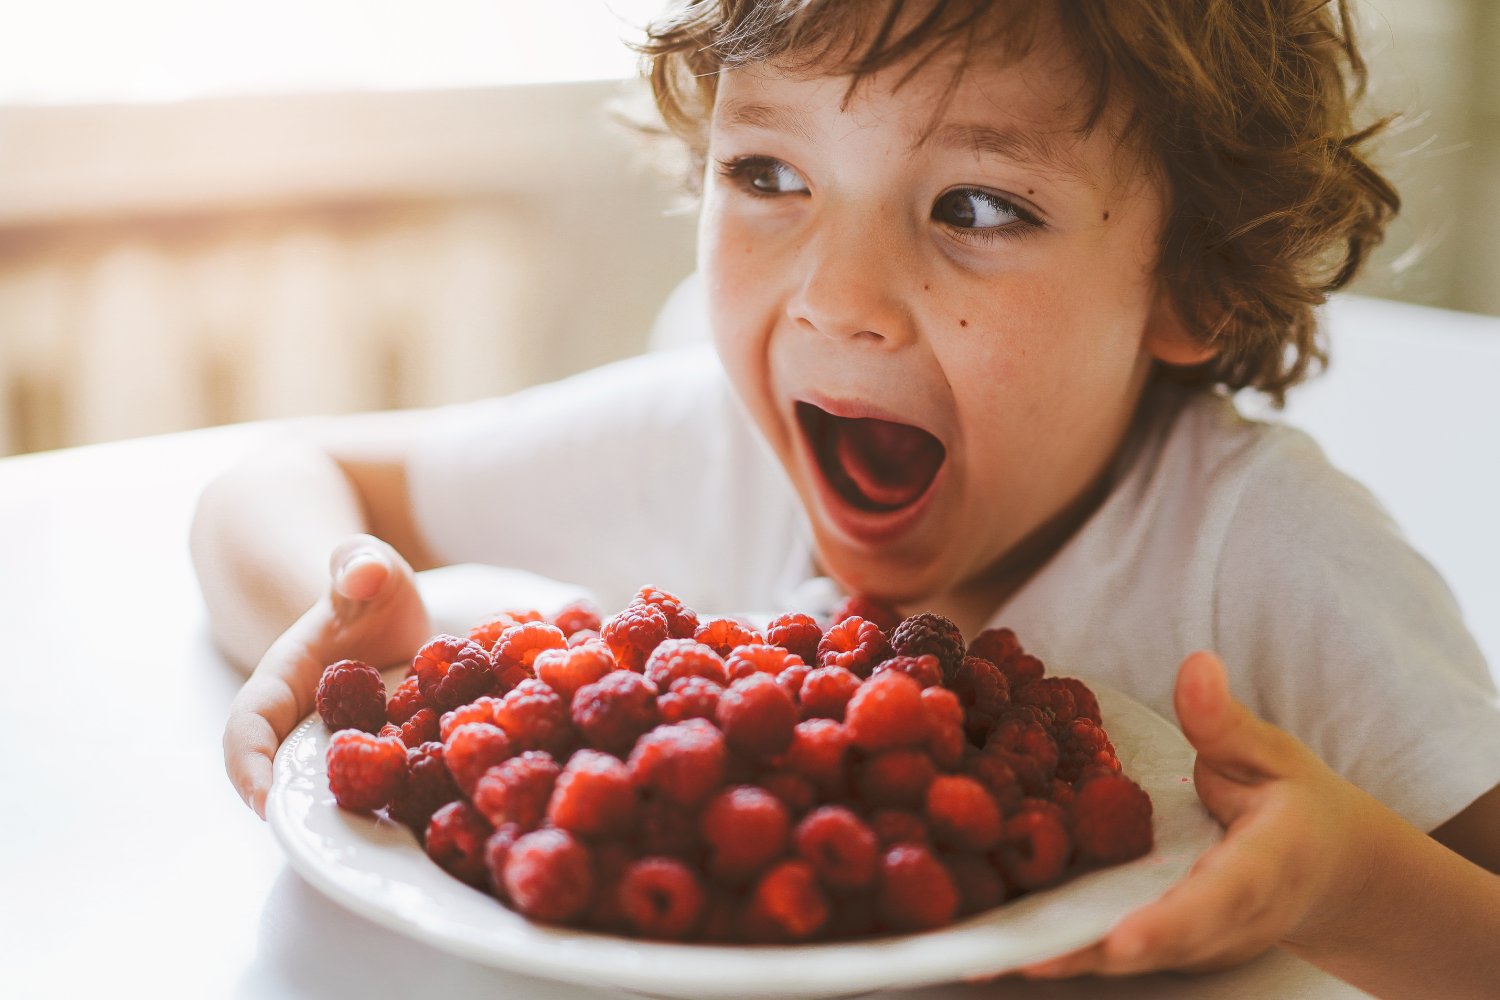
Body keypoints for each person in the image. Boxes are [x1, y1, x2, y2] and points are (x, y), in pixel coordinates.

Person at [192, 1, 1500, 995]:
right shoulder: (703, 444)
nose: (837, 297)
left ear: (1194, 281)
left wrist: (1347, 883)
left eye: (977, 204)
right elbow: (273, 480)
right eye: (768, 175)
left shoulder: (1270, 562)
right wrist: (356, 609)